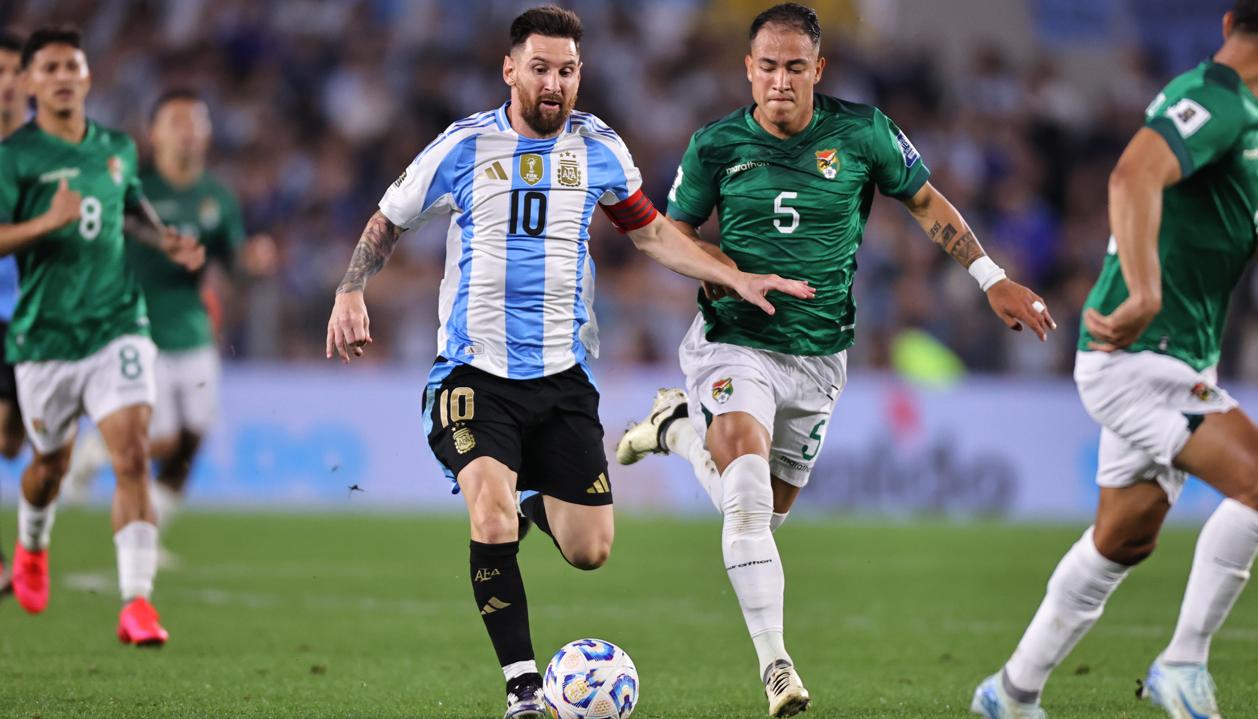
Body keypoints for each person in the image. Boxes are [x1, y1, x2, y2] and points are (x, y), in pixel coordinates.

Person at [325, 6, 813, 718]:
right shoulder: (465, 145)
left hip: (562, 380)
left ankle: (532, 495)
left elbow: (649, 234)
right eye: (541, 68)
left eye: (568, 71)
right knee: (489, 518)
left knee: (591, 549)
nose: (554, 83)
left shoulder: (600, 148)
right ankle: (524, 689)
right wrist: (350, 287)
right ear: (510, 70)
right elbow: (388, 218)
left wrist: (729, 273)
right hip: (473, 371)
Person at [614, 4, 1054, 717]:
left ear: (819, 69)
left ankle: (673, 429)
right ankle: (777, 667)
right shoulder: (716, 145)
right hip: (734, 339)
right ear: (747, 69)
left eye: (795, 67)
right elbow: (668, 238)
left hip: (819, 358)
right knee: (749, 497)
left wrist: (990, 277)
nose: (780, 80)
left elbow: (927, 200)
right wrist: (735, 277)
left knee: (762, 514)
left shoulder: (863, 132)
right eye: (767, 66)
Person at [971, 3, 1258, 718]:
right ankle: (1183, 661)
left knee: (1123, 538)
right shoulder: (1216, 97)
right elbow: (1132, 177)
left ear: (1226, 22)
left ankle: (1011, 692)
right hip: (1138, 354)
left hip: (1181, 355)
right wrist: (1146, 291)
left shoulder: (1246, 122)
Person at [0, 27, 203, 645]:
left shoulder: (116, 146)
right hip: (44, 339)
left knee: (133, 453)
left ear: (87, 77)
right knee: (48, 467)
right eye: (50, 68)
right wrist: (46, 222)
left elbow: (130, 208)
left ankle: (136, 602)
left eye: (72, 66)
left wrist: (163, 236)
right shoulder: (15, 157)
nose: (62, 77)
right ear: (31, 82)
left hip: (118, 324)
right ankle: (32, 545)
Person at [60, 89, 276, 563]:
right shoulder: (134, 188)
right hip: (134, 327)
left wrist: (251, 263)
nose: (188, 131)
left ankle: (149, 528)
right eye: (177, 121)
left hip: (192, 329)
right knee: (163, 435)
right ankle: (99, 450)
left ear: (209, 133)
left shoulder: (216, 196)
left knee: (193, 438)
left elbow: (232, 265)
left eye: (196, 122)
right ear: (154, 132)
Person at [0, 29, 27, 598]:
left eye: (12, 74)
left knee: (11, 440)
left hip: (35, 315)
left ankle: (33, 544)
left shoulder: (56, 151)